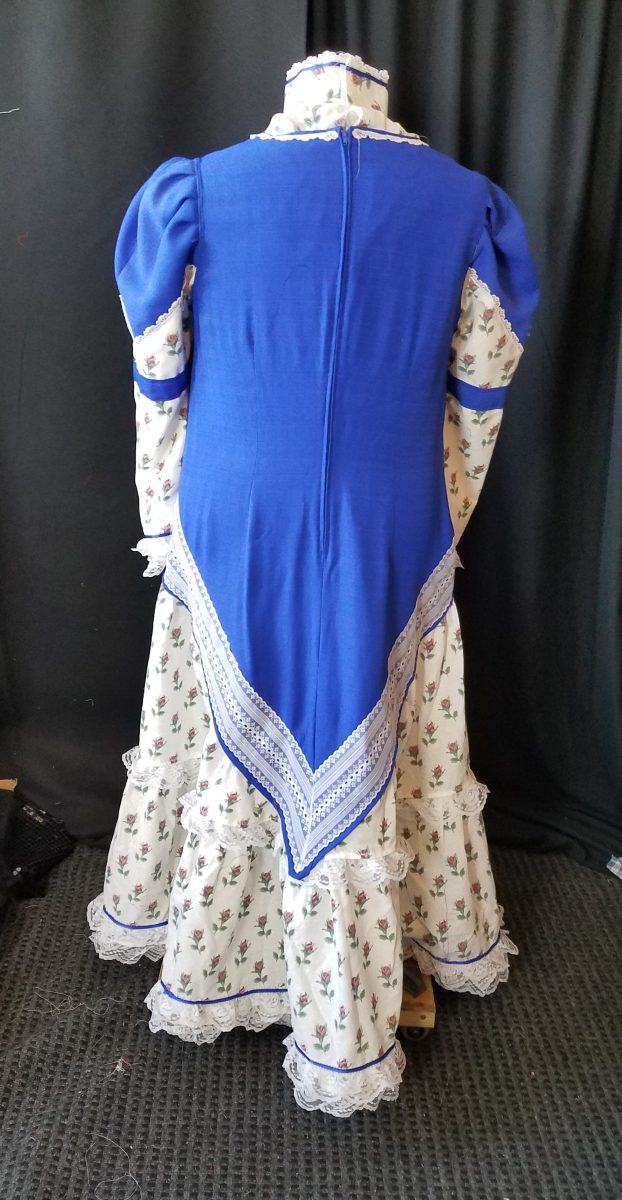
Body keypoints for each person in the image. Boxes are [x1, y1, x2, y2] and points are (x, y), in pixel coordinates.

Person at [87, 49, 540, 1117]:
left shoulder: (200, 190)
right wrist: (441, 515)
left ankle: (220, 950)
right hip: (388, 514)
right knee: (379, 722)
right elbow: (477, 401)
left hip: (235, 510)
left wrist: (163, 510)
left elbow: (159, 379)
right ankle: (349, 993)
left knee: (229, 739)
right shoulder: (465, 207)